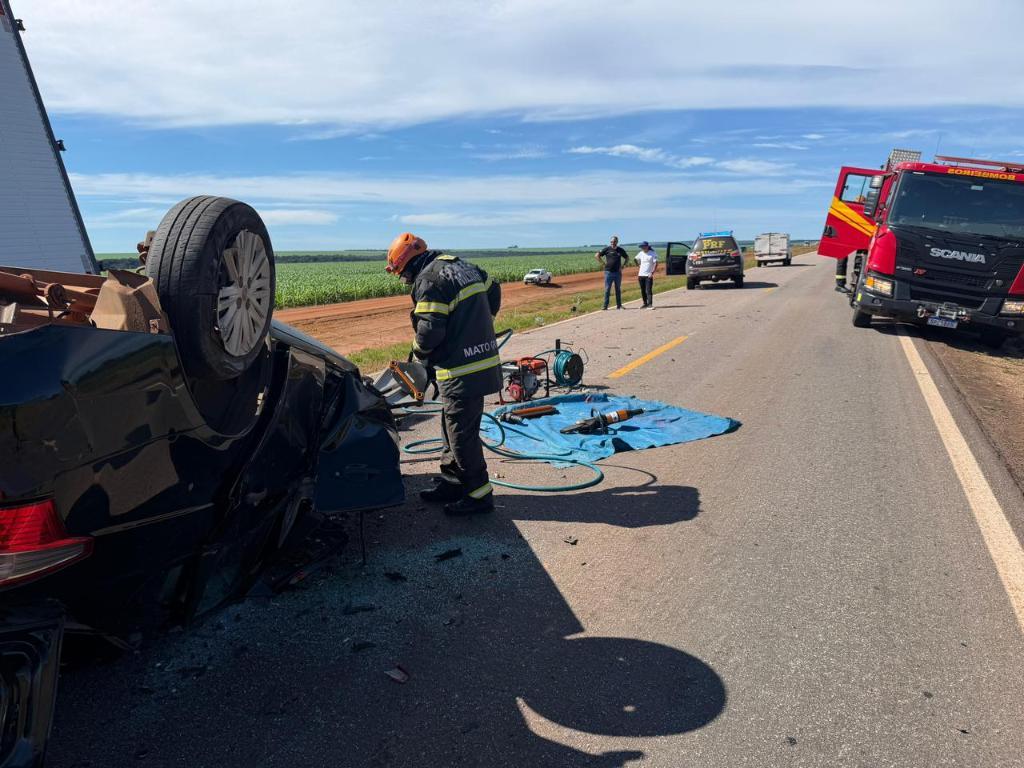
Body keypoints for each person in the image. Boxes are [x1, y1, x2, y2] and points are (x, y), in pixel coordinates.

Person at [386, 232, 502, 516]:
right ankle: (452, 483)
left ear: (411, 263)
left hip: (462, 370)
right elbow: (494, 290)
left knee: (461, 434)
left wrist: (417, 357)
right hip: (478, 361)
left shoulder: (429, 279)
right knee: (451, 425)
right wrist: (479, 325)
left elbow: (429, 332)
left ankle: (479, 496)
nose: (407, 280)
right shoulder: (462, 267)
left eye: (404, 275)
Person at [596, 235, 629, 310]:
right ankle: (605, 306)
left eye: (614, 241)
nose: (612, 243)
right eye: (611, 242)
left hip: (617, 273)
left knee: (618, 289)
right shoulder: (607, 249)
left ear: (617, 242)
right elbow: (597, 255)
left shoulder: (620, 250)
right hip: (608, 272)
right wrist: (603, 263)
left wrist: (623, 266)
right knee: (607, 289)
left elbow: (627, 258)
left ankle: (619, 305)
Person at [634, 241, 658, 307]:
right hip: (641, 275)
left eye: (644, 246)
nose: (642, 248)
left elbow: (656, 263)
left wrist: (652, 272)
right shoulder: (640, 253)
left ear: (647, 246)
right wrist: (638, 265)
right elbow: (635, 259)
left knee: (648, 290)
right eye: (642, 247)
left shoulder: (652, 253)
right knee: (643, 290)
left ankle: (650, 304)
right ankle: (645, 303)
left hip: (648, 275)